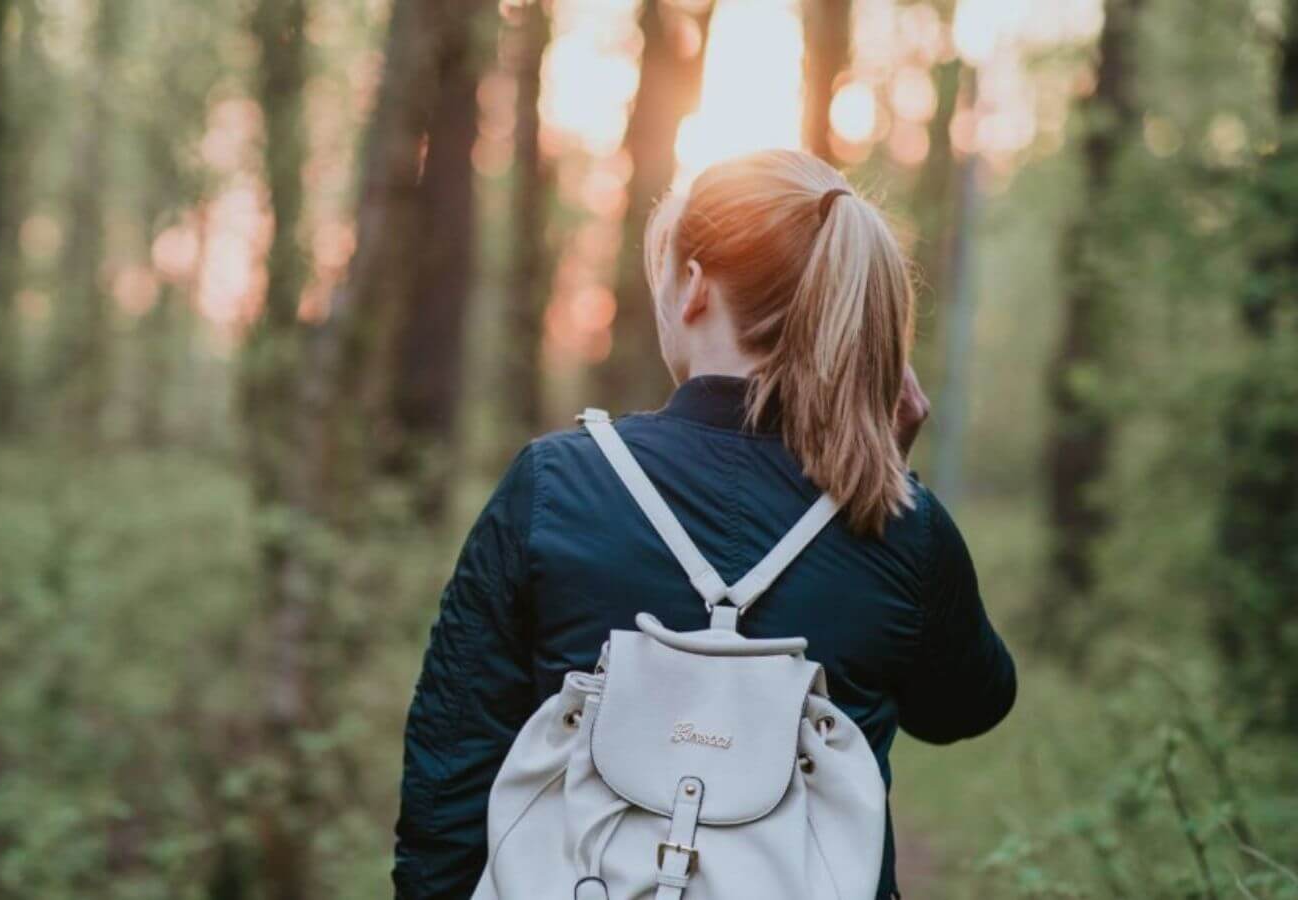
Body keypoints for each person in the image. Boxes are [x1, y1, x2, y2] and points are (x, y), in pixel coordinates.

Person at [391, 149, 1017, 899]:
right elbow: (964, 706)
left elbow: (449, 776)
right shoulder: (901, 530)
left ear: (692, 287)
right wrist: (889, 486)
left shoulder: (556, 487)